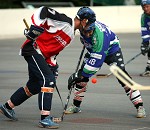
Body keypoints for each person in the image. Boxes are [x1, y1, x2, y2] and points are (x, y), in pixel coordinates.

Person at [0, 6, 95, 129]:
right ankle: (44, 119)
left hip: (41, 56)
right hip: (32, 49)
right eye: (89, 25)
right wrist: (36, 27)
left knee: (34, 86)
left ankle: (7, 107)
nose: (89, 29)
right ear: (84, 21)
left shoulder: (71, 36)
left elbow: (53, 51)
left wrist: (52, 64)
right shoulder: (65, 22)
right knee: (48, 79)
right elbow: (44, 10)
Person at [65, 7, 146, 118]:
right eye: (86, 30)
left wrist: (79, 74)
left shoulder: (99, 36)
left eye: (90, 31)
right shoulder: (80, 24)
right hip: (93, 49)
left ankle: (140, 106)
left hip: (111, 50)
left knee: (122, 77)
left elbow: (97, 62)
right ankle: (76, 106)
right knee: (81, 79)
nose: (88, 33)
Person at [140, 0, 150, 76]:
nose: (146, 9)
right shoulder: (144, 17)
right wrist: (145, 43)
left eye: (147, 6)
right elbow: (144, 30)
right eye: (144, 7)